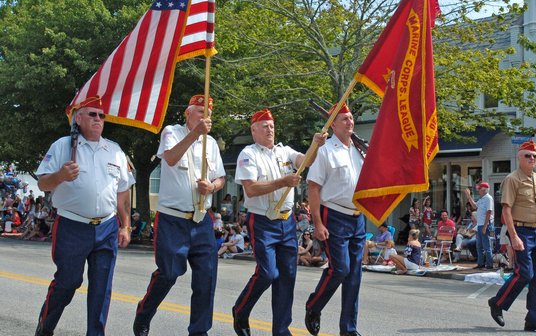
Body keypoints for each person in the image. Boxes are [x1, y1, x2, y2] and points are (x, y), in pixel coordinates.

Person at [34, 96, 134, 336]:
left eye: (102, 116)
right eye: (92, 114)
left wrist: (126, 225)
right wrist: (60, 176)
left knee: (102, 289)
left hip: (107, 227)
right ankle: (45, 328)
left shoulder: (115, 150)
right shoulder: (63, 146)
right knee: (68, 283)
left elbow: (123, 192)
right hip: (72, 226)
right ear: (78, 118)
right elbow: (43, 184)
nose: (98, 119)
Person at [134, 94, 225, 336]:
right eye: (200, 111)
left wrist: (213, 187)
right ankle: (144, 312)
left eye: (208, 113)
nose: (205, 117)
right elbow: (172, 158)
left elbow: (221, 177)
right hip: (172, 219)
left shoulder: (212, 143)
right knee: (169, 273)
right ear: (187, 113)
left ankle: (199, 331)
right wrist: (195, 134)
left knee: (206, 277)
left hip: (200, 218)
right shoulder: (171, 132)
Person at [232, 108, 326, 336]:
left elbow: (306, 161)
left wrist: (316, 144)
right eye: (264, 126)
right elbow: (251, 189)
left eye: (272, 126)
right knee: (267, 273)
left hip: (286, 222)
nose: (270, 129)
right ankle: (241, 310)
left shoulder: (283, 151)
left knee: (287, 277)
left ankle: (281, 330)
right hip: (263, 220)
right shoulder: (248, 154)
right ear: (253, 130)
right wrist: (283, 181)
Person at [304, 103, 365, 336]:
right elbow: (313, 187)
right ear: (333, 125)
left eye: (350, 118)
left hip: (357, 217)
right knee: (340, 269)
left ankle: (348, 329)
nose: (349, 122)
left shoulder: (360, 151)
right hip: (334, 214)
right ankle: (314, 305)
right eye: (344, 119)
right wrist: (317, 223)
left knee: (354, 275)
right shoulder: (326, 151)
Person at [487, 141, 536, 334]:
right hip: (521, 230)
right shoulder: (512, 179)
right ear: (519, 157)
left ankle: (534, 321)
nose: (532, 158)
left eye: (535, 156)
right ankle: (497, 303)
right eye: (528, 155)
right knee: (525, 273)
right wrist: (514, 236)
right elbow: (506, 210)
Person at [465, 182, 494, 270]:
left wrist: (485, 226)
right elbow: (474, 206)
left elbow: (489, 212)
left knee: (486, 246)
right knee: (479, 246)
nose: (478, 191)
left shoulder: (488, 198)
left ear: (484, 190)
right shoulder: (482, 199)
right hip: (480, 224)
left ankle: (489, 264)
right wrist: (469, 196)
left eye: (480, 189)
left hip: (485, 224)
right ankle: (480, 263)